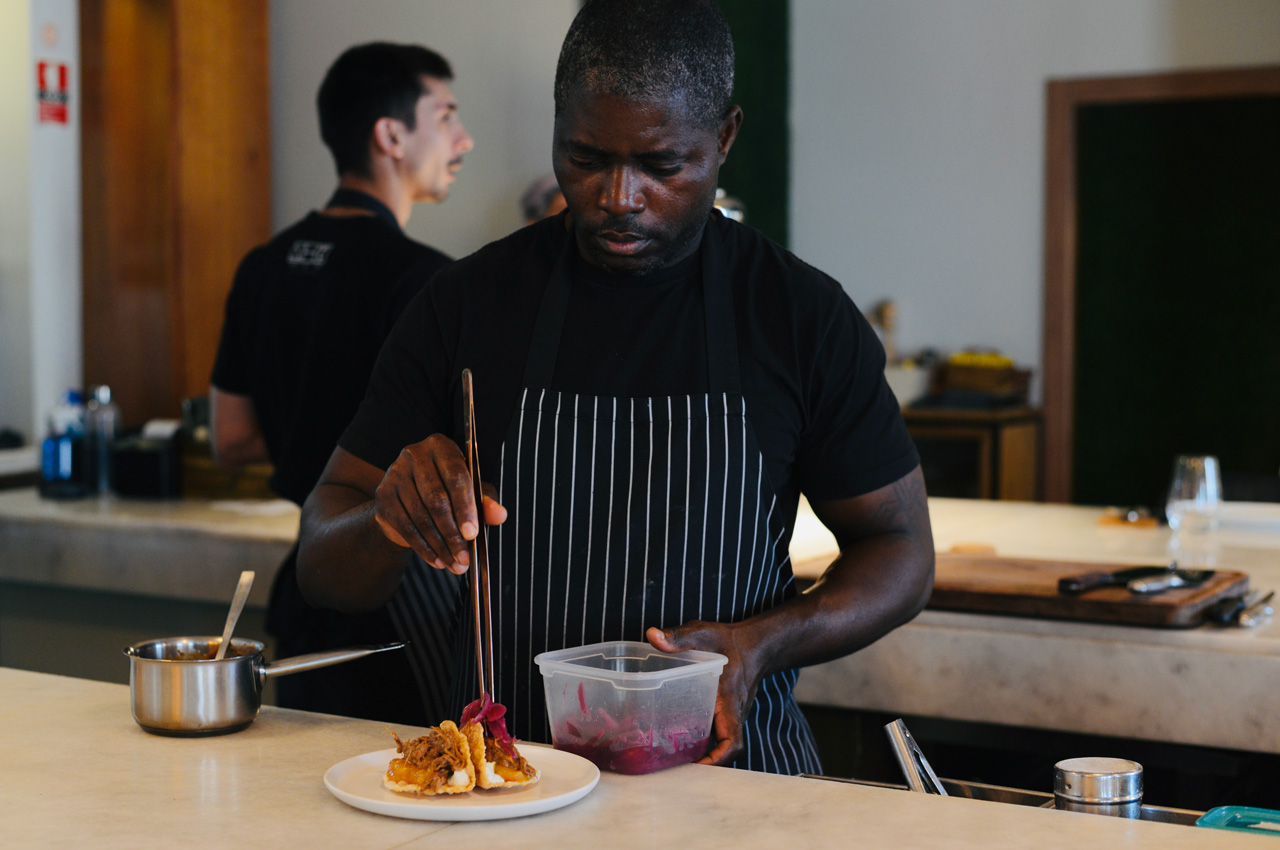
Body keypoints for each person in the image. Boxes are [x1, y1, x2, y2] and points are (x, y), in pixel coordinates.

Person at [297, 0, 933, 774]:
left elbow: (900, 552)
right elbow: (323, 562)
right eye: (587, 157)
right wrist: (388, 518)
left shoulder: (799, 316)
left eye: (662, 165)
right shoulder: (466, 305)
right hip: (513, 791)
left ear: (725, 137)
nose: (618, 196)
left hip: (732, 792)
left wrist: (761, 642)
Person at [209, 42, 474, 725]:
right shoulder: (427, 282)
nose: (462, 139)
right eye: (445, 116)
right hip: (397, 589)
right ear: (391, 136)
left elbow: (231, 440)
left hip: (307, 586)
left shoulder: (261, 266)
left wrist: (310, 447)